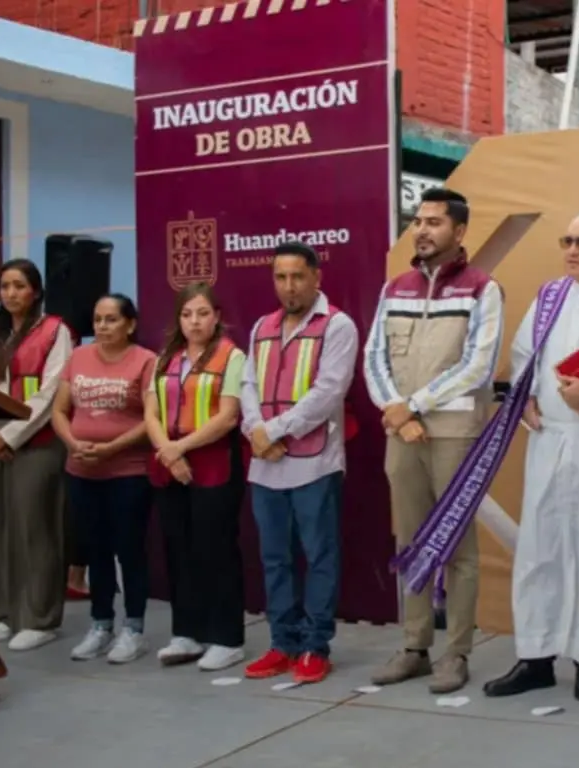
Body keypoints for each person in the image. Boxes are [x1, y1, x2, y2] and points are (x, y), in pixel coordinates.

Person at [482, 212, 579, 702]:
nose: (571, 250)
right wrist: (524, 395)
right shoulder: (549, 296)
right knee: (540, 547)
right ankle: (536, 656)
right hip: (549, 439)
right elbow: (525, 352)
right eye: (567, 241)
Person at [365, 187, 505, 695]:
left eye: (434, 222)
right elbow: (373, 357)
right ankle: (414, 647)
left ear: (460, 231)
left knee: (457, 546)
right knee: (411, 540)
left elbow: (478, 365)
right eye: (418, 221)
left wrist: (415, 405)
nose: (422, 230)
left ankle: (456, 653)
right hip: (402, 430)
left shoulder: (482, 289)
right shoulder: (394, 287)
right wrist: (397, 413)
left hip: (453, 431)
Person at [240, 242, 359, 684]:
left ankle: (315, 645)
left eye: (297, 277)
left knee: (319, 555)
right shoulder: (261, 326)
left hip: (315, 464)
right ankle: (282, 643)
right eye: (280, 277)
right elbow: (247, 383)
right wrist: (255, 429)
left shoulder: (338, 325)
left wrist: (272, 431)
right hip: (265, 463)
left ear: (316, 278)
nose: (289, 286)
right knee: (274, 559)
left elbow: (328, 392)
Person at [0, 258, 77, 651]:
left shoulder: (55, 332)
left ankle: (38, 617)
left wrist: (11, 436)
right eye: (5, 286)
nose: (11, 293)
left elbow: (51, 393)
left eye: (19, 286)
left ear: (35, 291)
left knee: (34, 527)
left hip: (36, 441)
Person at [145, 282, 249, 672]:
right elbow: (151, 413)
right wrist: (168, 452)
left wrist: (181, 448)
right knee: (178, 548)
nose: (194, 321)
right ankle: (186, 633)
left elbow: (228, 416)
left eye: (202, 313)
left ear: (216, 316)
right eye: (187, 314)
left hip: (213, 463)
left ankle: (226, 637)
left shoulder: (231, 357)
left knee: (216, 548)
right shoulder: (164, 358)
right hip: (169, 465)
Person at [53, 294, 158, 664]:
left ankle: (133, 629)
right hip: (81, 470)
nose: (102, 327)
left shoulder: (145, 361)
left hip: (127, 472)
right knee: (94, 548)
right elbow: (60, 410)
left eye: (111, 320)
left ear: (130, 324)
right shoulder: (79, 357)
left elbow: (151, 420)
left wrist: (111, 447)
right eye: (97, 319)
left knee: (128, 549)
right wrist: (71, 442)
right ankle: (100, 624)